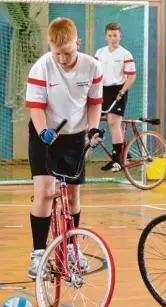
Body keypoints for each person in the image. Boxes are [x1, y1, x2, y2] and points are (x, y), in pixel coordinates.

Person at [25, 17, 103, 279]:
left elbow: (94, 103)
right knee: (45, 193)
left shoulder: (92, 66)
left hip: (74, 136)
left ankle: (71, 248)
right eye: (56, 52)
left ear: (77, 43)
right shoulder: (41, 67)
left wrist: (93, 129)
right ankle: (38, 254)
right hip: (45, 136)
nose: (61, 59)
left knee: (72, 197)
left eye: (67, 52)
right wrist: (42, 131)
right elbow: (36, 107)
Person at [94, 22, 136, 172]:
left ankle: (117, 160)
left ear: (120, 36)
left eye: (116, 35)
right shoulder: (99, 53)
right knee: (91, 119)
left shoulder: (125, 54)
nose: (113, 38)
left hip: (118, 90)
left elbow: (131, 76)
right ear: (106, 37)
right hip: (102, 90)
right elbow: (95, 73)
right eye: (110, 35)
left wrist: (122, 92)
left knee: (113, 123)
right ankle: (123, 150)